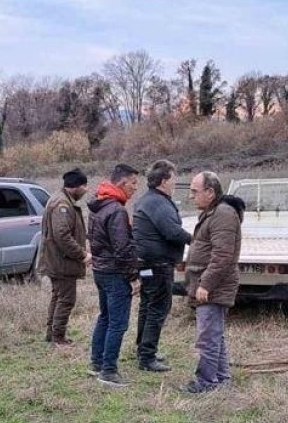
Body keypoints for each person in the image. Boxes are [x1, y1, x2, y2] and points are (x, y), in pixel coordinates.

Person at [182, 171, 244, 394]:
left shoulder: (223, 215)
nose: (191, 196)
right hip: (210, 285)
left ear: (210, 192)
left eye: (194, 191)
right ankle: (221, 378)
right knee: (214, 334)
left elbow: (223, 256)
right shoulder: (213, 212)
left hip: (215, 287)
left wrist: (205, 284)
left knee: (207, 337)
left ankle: (206, 382)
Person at [132, 159, 193, 372]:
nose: (175, 183)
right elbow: (172, 231)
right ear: (164, 181)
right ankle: (147, 357)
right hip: (158, 264)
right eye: (173, 178)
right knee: (158, 307)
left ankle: (142, 349)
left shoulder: (146, 199)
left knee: (147, 305)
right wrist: (194, 240)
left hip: (147, 263)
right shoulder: (158, 202)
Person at [88, 163, 141, 387]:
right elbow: (122, 249)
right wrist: (133, 277)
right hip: (115, 273)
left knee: (105, 317)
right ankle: (108, 371)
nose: (135, 188)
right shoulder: (117, 210)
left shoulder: (99, 205)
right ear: (121, 182)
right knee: (118, 323)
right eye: (133, 183)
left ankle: (97, 362)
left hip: (100, 270)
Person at [39, 168, 91, 345]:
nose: (86, 190)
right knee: (67, 299)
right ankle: (58, 337)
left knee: (58, 296)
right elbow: (62, 235)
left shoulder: (59, 199)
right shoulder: (63, 204)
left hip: (55, 260)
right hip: (61, 262)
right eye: (84, 186)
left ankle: (51, 334)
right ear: (76, 186)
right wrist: (82, 254)